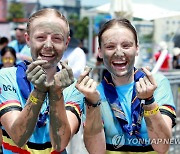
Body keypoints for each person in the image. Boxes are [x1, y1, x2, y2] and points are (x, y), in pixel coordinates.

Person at [75, 19, 176, 153]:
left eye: (126, 45)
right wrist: (92, 104)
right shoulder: (94, 93)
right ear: (99, 52)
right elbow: (96, 151)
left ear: (137, 48)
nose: (119, 53)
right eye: (110, 46)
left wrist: (149, 101)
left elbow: (162, 146)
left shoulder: (156, 84)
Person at [0, 8, 84, 153]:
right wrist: (38, 91)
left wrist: (56, 93)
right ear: (28, 39)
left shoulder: (74, 87)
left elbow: (60, 143)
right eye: (40, 38)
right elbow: (18, 137)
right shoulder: (6, 76)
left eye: (57, 38)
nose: (48, 45)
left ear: (66, 42)